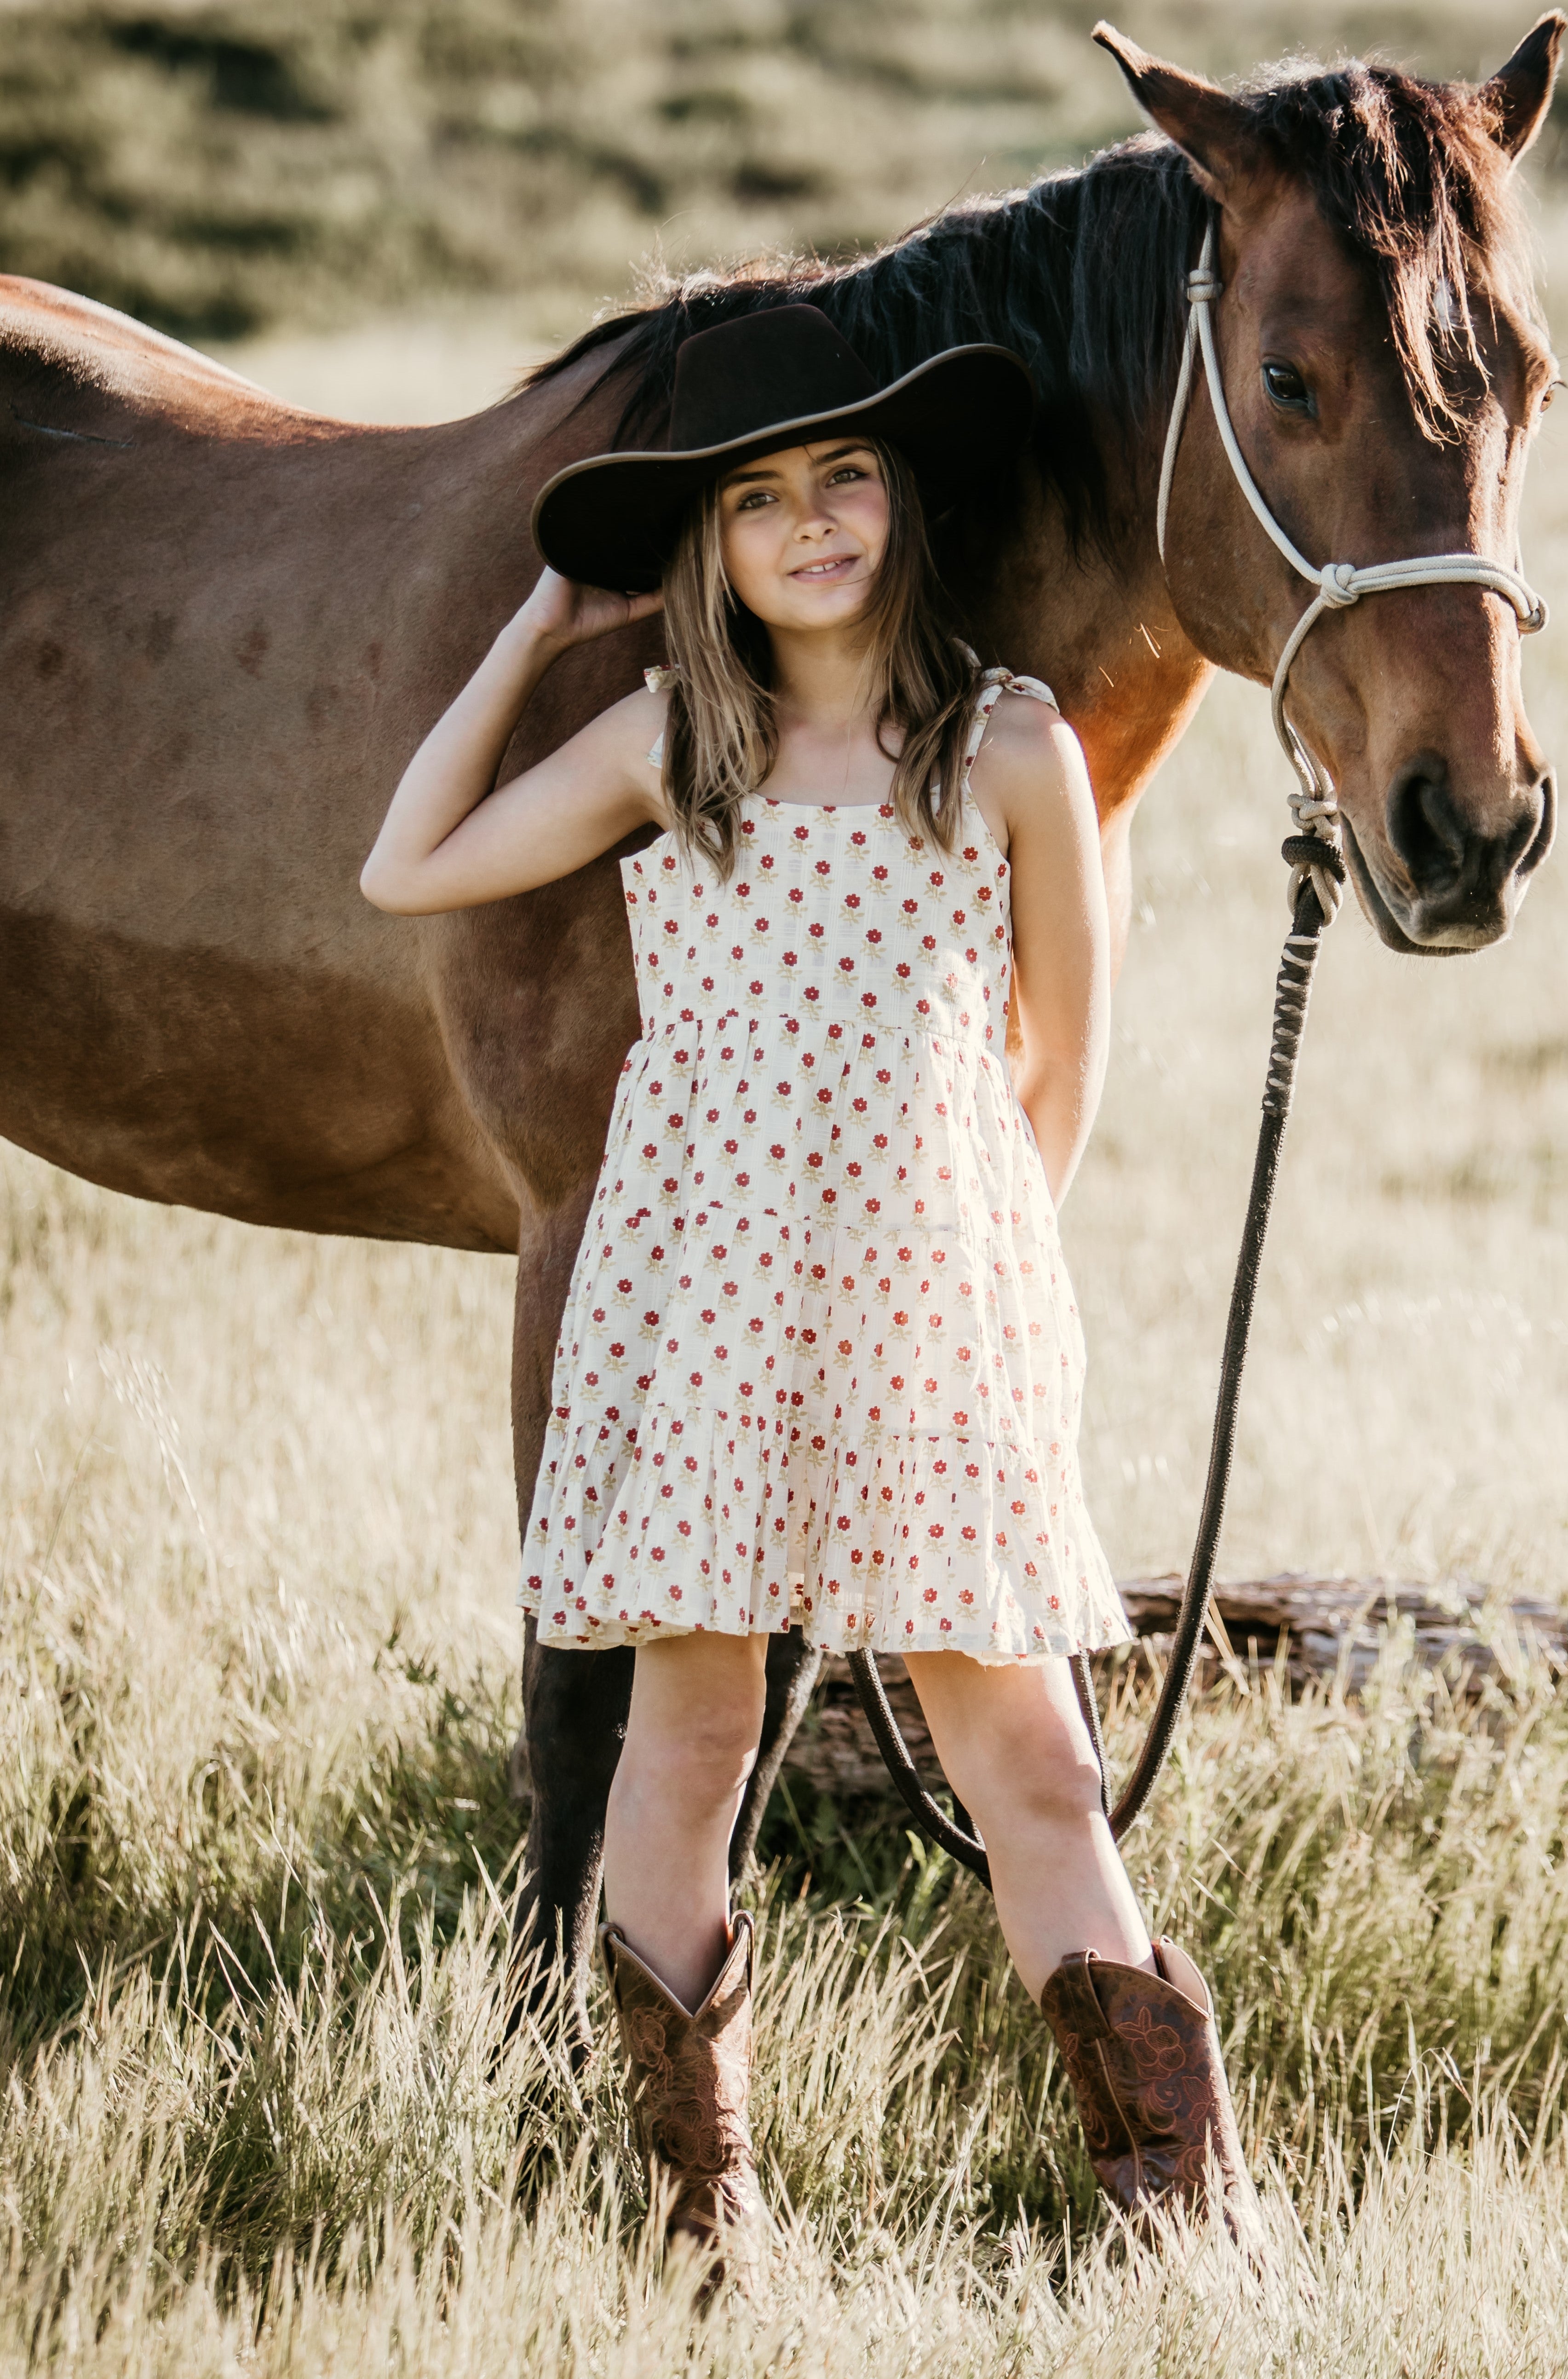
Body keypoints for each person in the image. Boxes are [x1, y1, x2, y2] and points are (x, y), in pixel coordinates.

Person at [361, 305, 1252, 2258]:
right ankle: (703, 2223)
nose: (813, 520)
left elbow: (1063, 1061)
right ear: (712, 550)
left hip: (937, 1300)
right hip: (705, 1308)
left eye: (844, 476)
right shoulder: (680, 739)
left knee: (1025, 1744)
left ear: (902, 501)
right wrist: (532, 635)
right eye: (759, 499)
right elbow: (407, 868)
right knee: (693, 1740)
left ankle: (1180, 2211)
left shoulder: (1011, 743)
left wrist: (991, 1297)